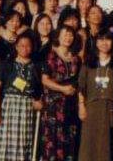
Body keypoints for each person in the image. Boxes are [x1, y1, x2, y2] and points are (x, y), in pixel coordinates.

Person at [0, 32, 43, 161]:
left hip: (27, 108)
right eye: (21, 45)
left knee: (23, 142)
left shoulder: (36, 67)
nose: (25, 48)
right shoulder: (6, 65)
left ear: (32, 47)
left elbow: (40, 89)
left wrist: (38, 101)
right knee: (4, 142)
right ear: (16, 47)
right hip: (9, 107)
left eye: (28, 46)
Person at [40, 25, 81, 161]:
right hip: (54, 105)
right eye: (65, 34)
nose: (68, 38)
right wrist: (62, 89)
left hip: (70, 105)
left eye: (71, 35)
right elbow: (45, 80)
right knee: (52, 140)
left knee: (69, 140)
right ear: (58, 36)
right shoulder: (51, 55)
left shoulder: (76, 58)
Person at [77, 31, 113, 161]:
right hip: (92, 108)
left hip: (111, 108)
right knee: (90, 144)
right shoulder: (88, 63)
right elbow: (81, 87)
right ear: (96, 43)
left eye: (107, 40)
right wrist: (81, 106)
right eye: (101, 40)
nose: (104, 43)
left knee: (108, 145)